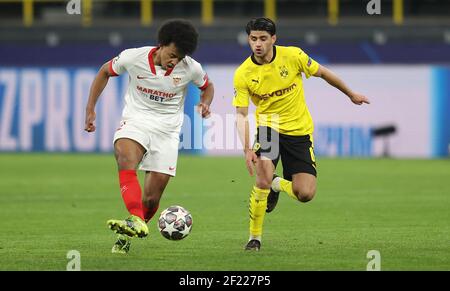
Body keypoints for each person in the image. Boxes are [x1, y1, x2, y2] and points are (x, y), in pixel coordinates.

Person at [233, 17, 369, 251]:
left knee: (304, 194)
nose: (258, 44)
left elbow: (324, 73)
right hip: (269, 128)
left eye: (263, 39)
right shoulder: (243, 73)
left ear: (273, 39)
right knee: (261, 179)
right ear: (248, 39)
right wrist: (246, 148)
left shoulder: (293, 56)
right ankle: (254, 238)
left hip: (299, 131)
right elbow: (242, 115)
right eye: (253, 39)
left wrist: (350, 94)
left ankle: (276, 184)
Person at [84, 19, 214, 254]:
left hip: (167, 132)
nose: (175, 61)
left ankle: (128, 235)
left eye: (180, 57)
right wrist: (91, 108)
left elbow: (208, 86)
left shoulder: (190, 67)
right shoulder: (134, 57)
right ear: (161, 45)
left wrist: (205, 103)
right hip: (136, 120)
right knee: (125, 157)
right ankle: (135, 218)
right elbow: (105, 71)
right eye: (172, 54)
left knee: (152, 199)